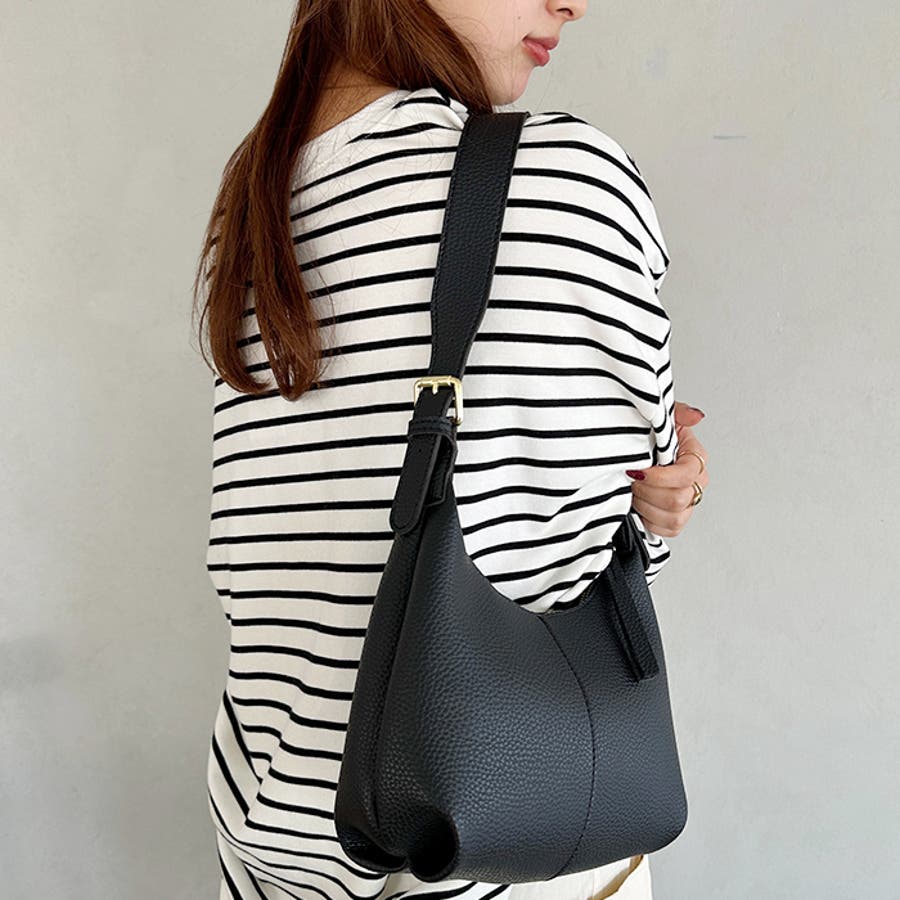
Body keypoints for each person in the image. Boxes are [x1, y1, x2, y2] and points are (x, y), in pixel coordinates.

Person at [193, 2, 711, 898]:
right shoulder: (565, 177)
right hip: (500, 845)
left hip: (271, 836)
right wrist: (667, 502)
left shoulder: (254, 199)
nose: (573, 1)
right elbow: (596, 582)